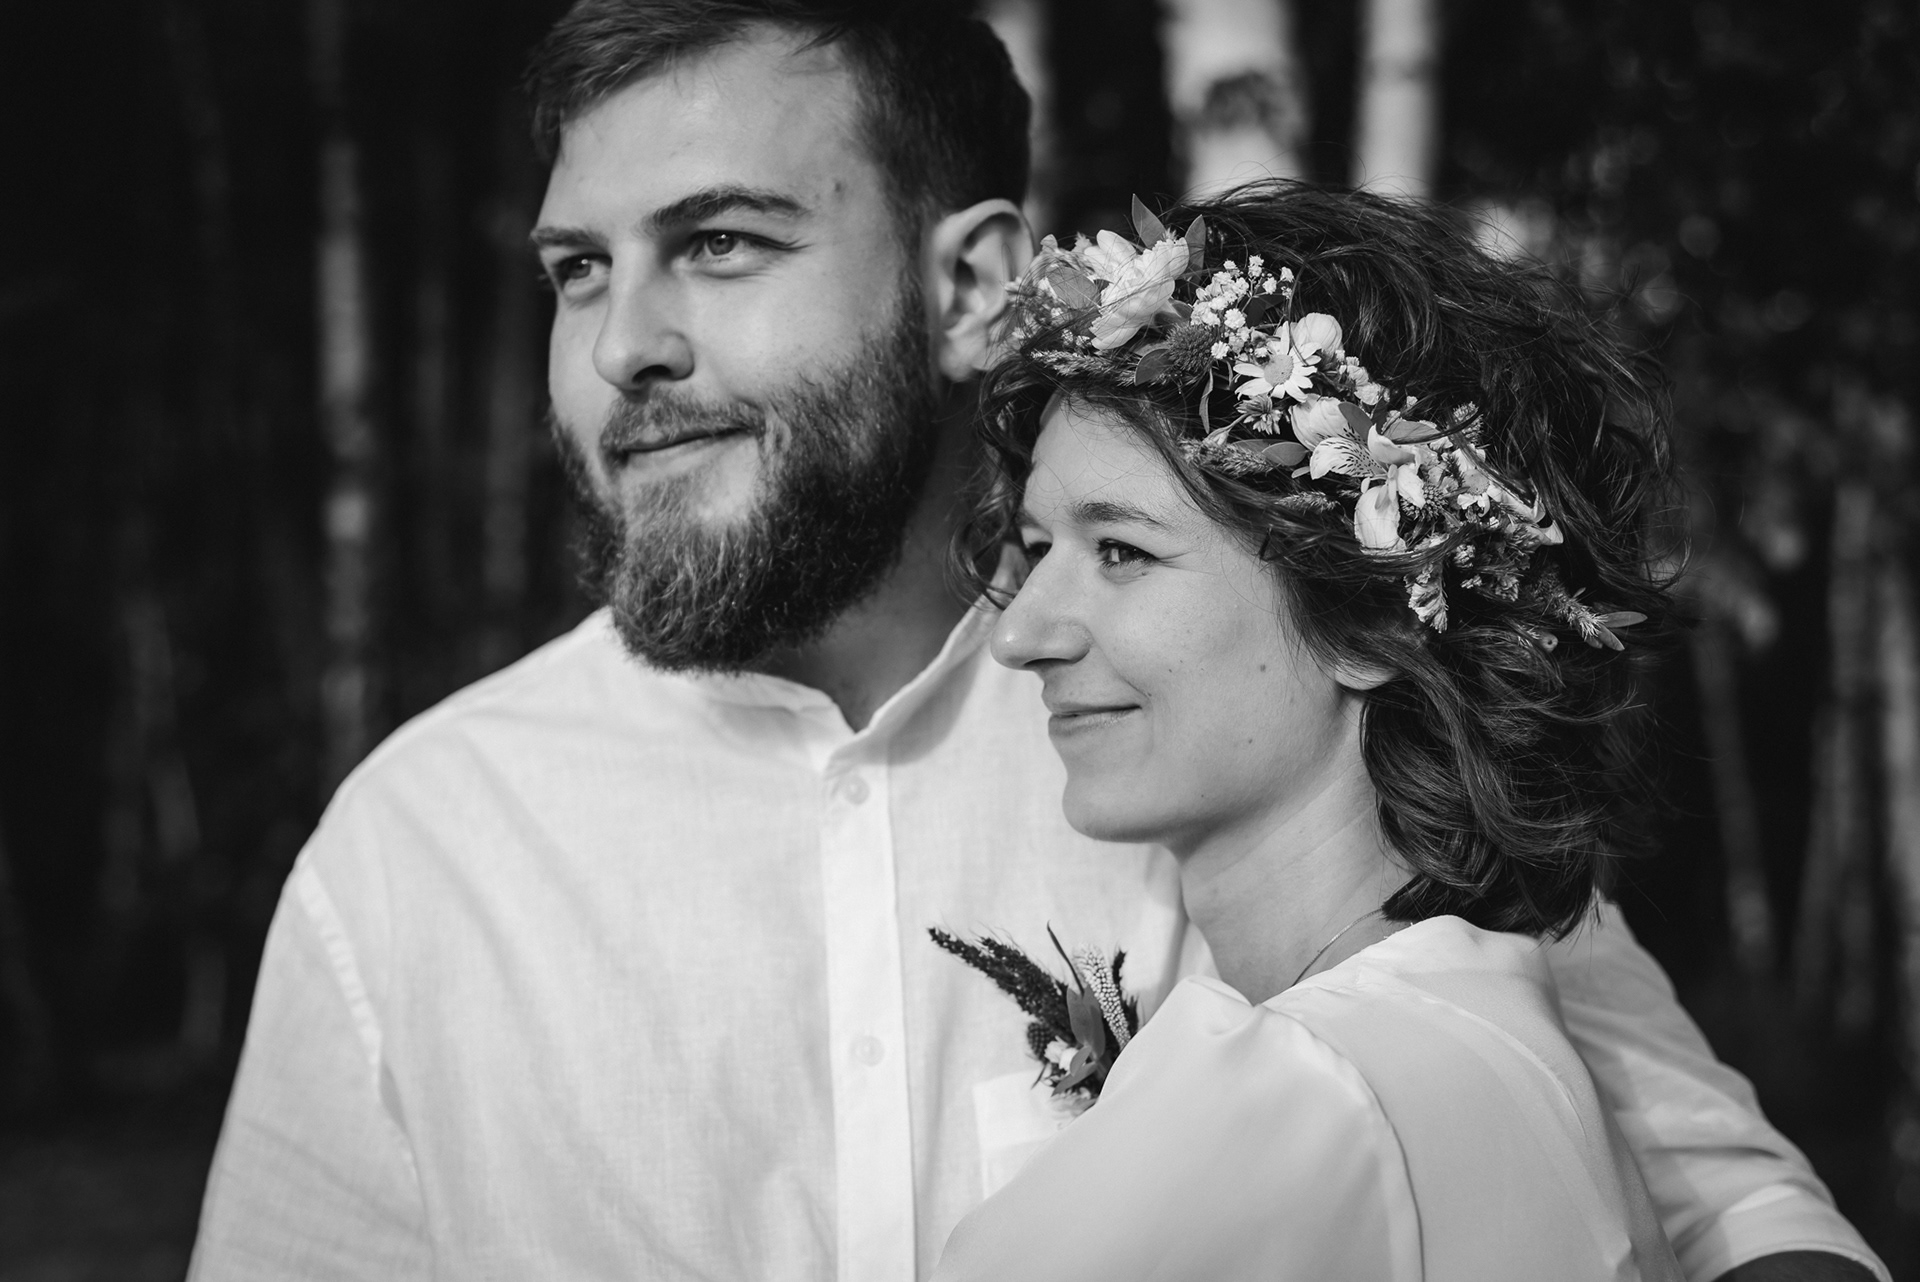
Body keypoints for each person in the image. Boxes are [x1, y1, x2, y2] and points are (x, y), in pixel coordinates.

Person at [187, 3, 1882, 1280]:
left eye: (720, 243)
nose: (624, 342)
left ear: (972, 283)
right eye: (576, 270)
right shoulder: (412, 859)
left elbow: (1723, 1202)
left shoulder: (1260, 725)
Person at [926, 182, 1826, 1280]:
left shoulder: (1284, 1101)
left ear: (1370, 617)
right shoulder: (1497, 1036)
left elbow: (1762, 1213)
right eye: (1036, 550)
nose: (1017, 634)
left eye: (1123, 552)